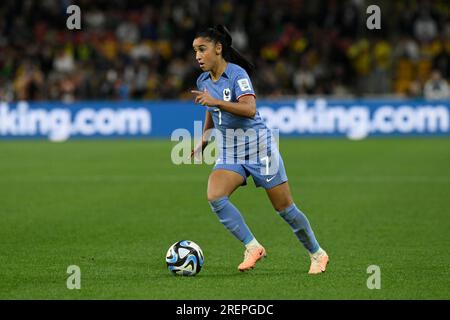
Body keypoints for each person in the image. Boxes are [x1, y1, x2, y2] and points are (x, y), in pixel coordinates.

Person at [190, 25, 329, 274]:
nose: (198, 56)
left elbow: (249, 109)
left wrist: (217, 102)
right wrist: (205, 138)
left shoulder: (237, 75)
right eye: (195, 51)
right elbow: (211, 109)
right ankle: (253, 247)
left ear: (218, 48)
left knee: (285, 209)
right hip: (231, 151)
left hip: (259, 149)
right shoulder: (203, 79)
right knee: (215, 196)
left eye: (202, 49)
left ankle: (317, 253)